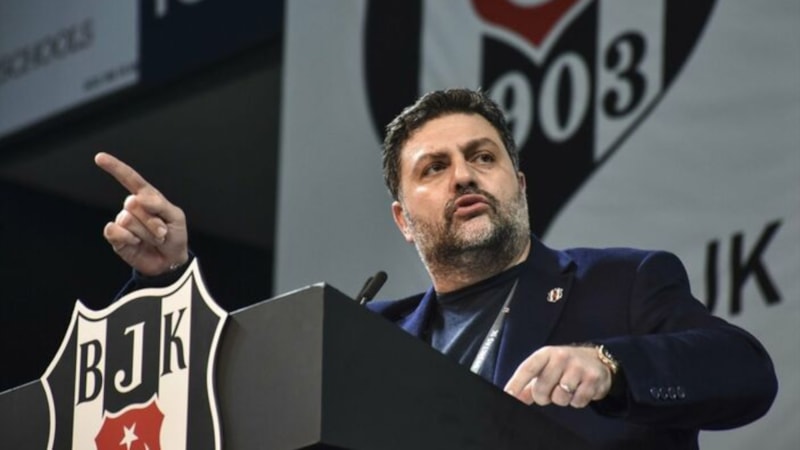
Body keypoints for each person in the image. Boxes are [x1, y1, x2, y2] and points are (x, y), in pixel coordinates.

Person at [96, 88, 777, 449]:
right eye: (434, 168)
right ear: (402, 219)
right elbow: (218, 402)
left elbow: (746, 372)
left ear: (518, 185)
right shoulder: (365, 336)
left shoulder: (621, 283)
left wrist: (609, 365)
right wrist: (165, 282)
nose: (464, 176)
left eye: (483, 157)